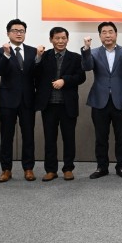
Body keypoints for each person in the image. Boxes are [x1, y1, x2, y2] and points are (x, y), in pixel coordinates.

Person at [82, 22, 122, 179]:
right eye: (104, 32)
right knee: (101, 137)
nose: (107, 35)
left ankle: (121, 166)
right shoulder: (93, 52)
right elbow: (87, 67)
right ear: (99, 36)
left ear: (116, 34)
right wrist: (86, 48)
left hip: (121, 101)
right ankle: (102, 167)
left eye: (110, 32)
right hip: (99, 100)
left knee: (121, 137)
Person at [34, 27, 86, 181]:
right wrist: (38, 57)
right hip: (48, 104)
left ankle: (68, 168)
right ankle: (51, 170)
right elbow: (35, 74)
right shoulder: (44, 56)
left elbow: (81, 77)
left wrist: (65, 80)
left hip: (67, 104)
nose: (61, 41)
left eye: (63, 38)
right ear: (51, 39)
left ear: (68, 39)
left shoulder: (75, 57)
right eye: (57, 38)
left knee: (69, 138)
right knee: (50, 139)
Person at [0, 19, 37, 183]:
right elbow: (0, 71)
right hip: (8, 100)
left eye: (22, 31)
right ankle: (6, 169)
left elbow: (37, 74)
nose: (19, 33)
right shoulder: (0, 52)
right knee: (7, 136)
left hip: (28, 100)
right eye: (15, 30)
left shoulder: (33, 51)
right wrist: (6, 54)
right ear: (8, 33)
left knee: (29, 135)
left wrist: (39, 58)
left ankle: (28, 168)